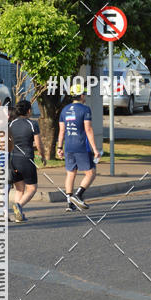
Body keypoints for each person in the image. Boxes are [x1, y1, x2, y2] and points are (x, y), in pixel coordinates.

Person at [57, 79, 100, 211]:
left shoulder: (64, 110)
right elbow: (88, 130)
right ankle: (78, 195)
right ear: (81, 95)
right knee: (91, 173)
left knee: (70, 174)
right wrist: (95, 149)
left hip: (69, 147)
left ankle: (69, 204)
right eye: (84, 94)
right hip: (81, 146)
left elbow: (62, 130)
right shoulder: (85, 109)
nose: (85, 96)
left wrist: (59, 147)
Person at [9, 99, 46, 222]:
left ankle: (18, 215)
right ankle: (18, 205)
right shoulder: (32, 124)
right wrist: (43, 155)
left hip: (13, 159)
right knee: (32, 188)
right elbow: (38, 143)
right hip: (26, 160)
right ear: (29, 111)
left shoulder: (11, 124)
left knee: (19, 189)